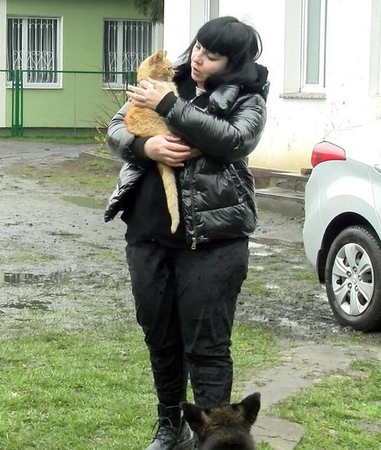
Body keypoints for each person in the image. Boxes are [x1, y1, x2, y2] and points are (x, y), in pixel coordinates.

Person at [103, 16, 269, 450]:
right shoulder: (164, 78)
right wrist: (145, 146)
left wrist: (168, 107)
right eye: (198, 47)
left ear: (234, 63)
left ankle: (214, 437)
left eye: (212, 56)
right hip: (148, 235)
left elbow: (232, 140)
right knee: (160, 338)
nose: (198, 58)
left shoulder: (248, 98)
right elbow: (116, 129)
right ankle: (170, 425)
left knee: (208, 346)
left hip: (213, 242)